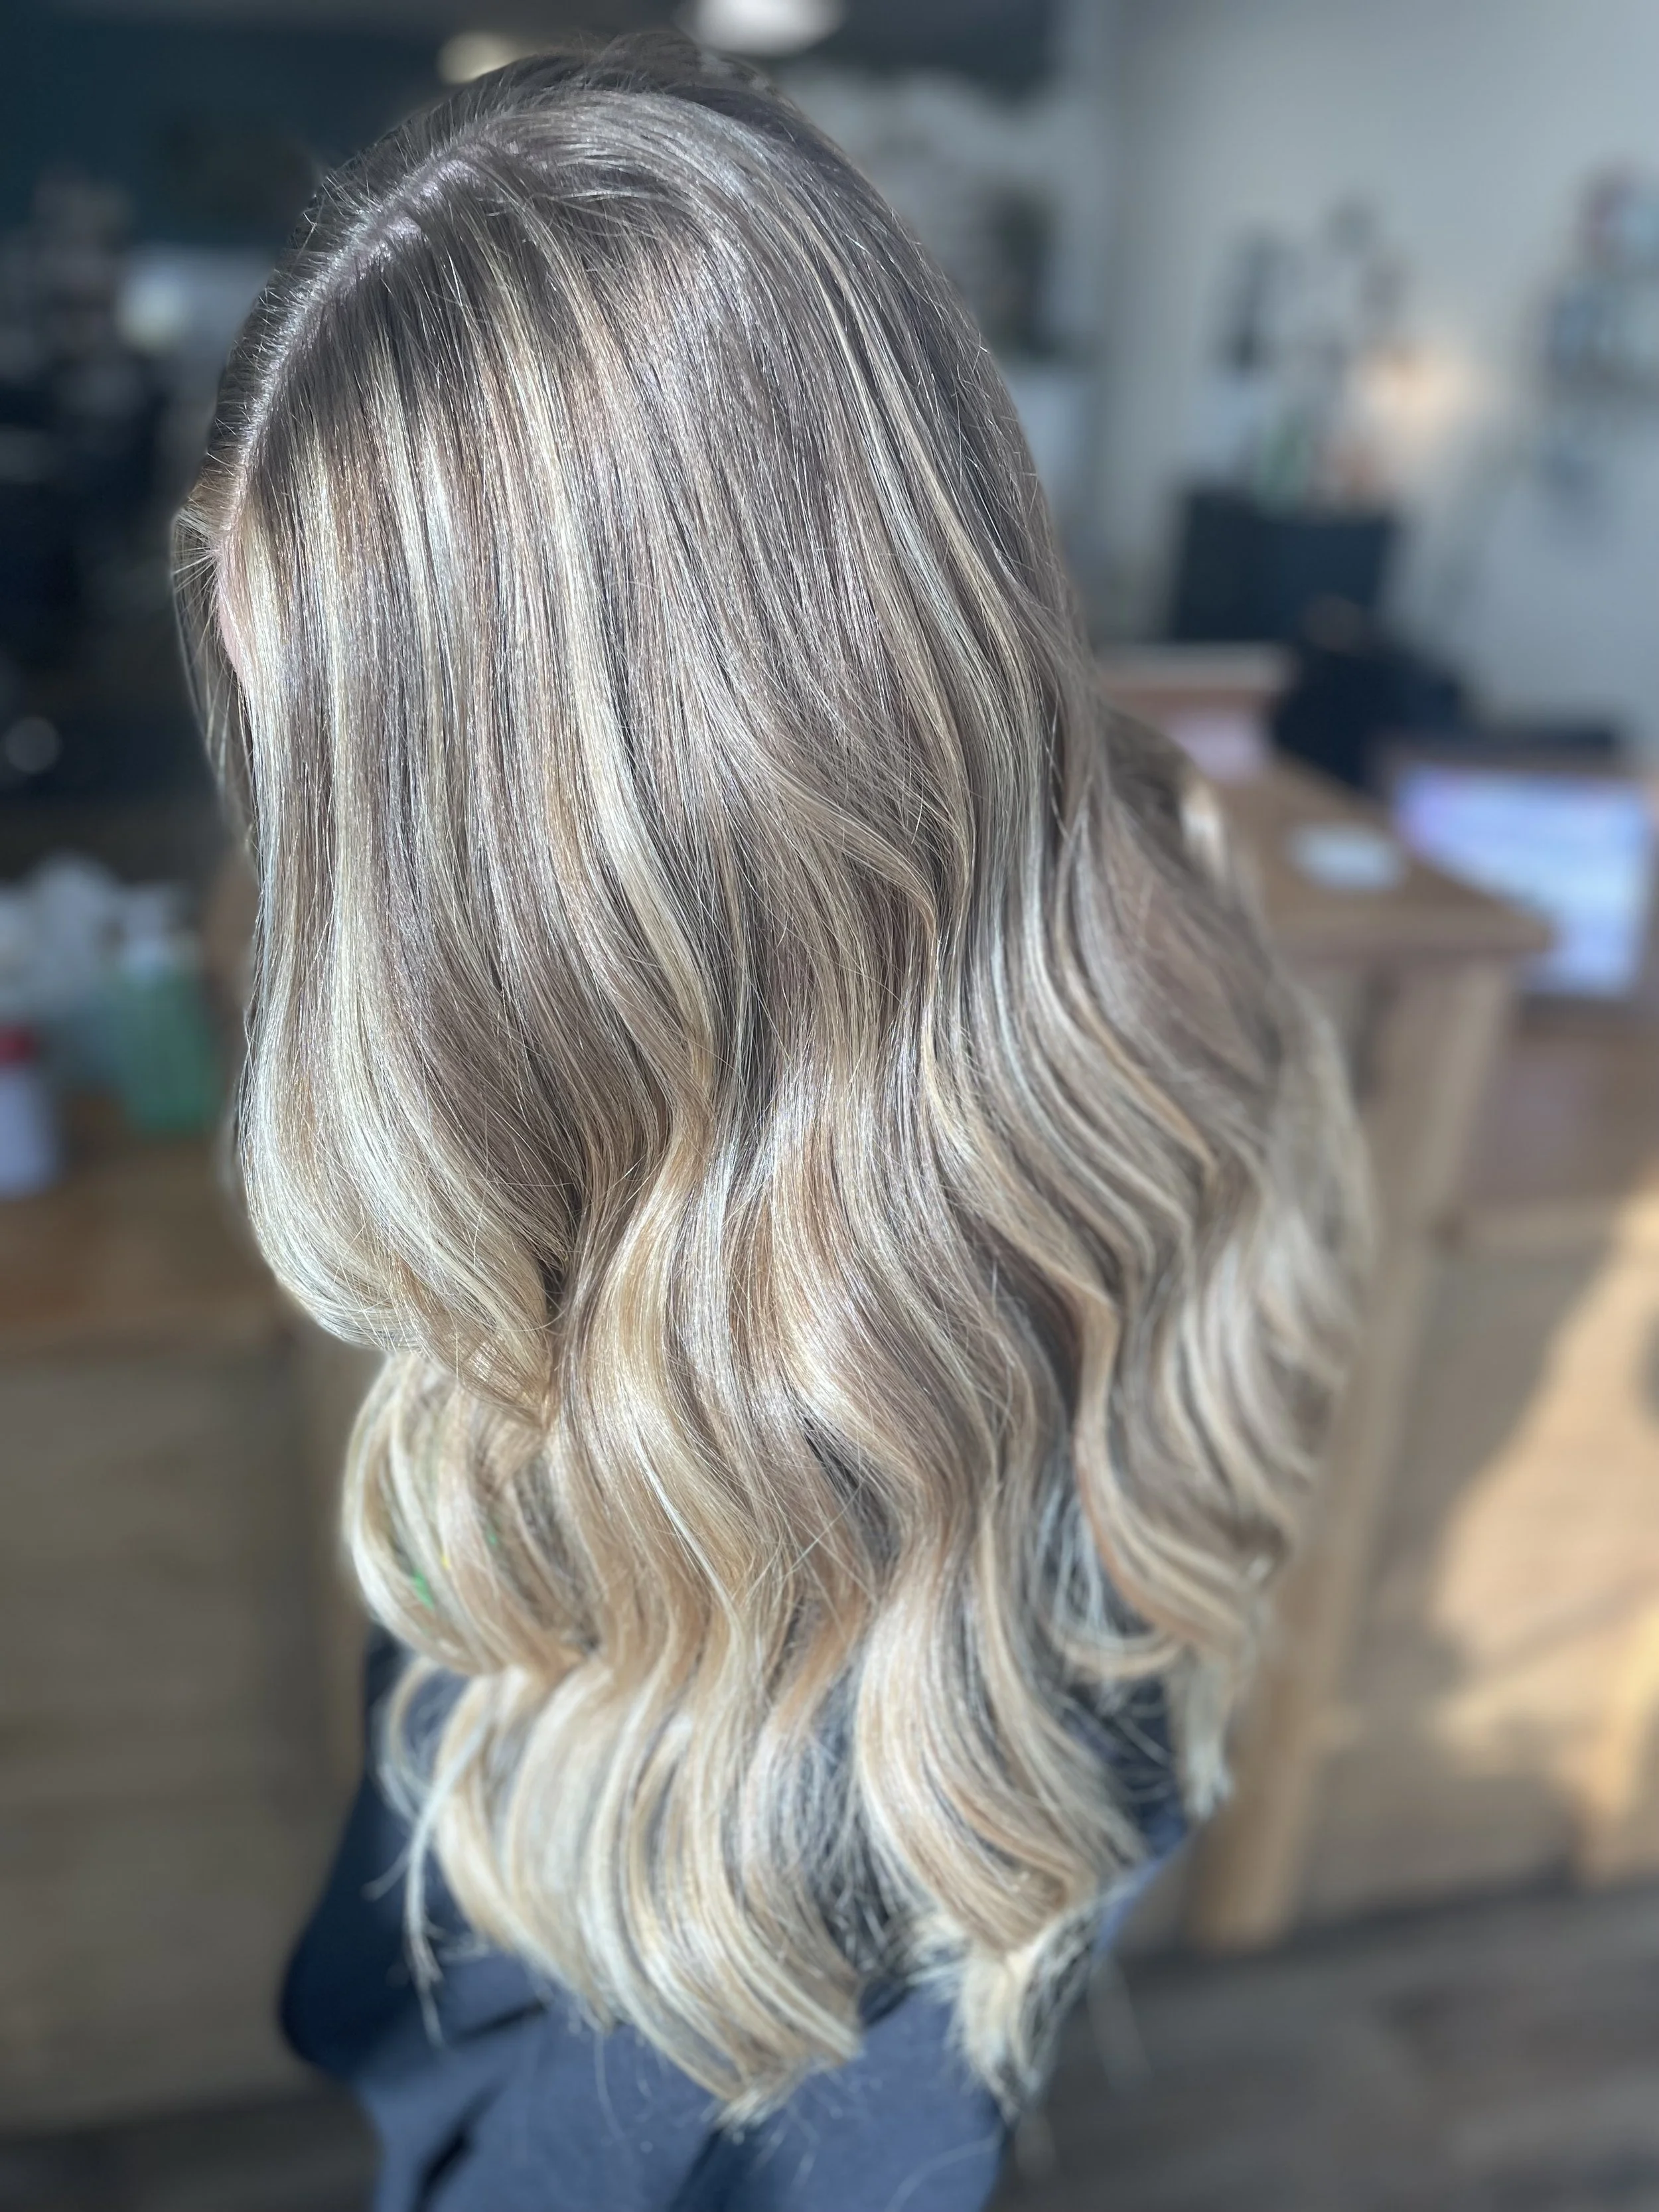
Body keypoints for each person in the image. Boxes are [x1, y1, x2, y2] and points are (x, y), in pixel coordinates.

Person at [174, 33, 1367, 2211]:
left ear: (579, 872)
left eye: (350, 777)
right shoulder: (1164, 923)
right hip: (942, 1976)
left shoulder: (698, 1453)